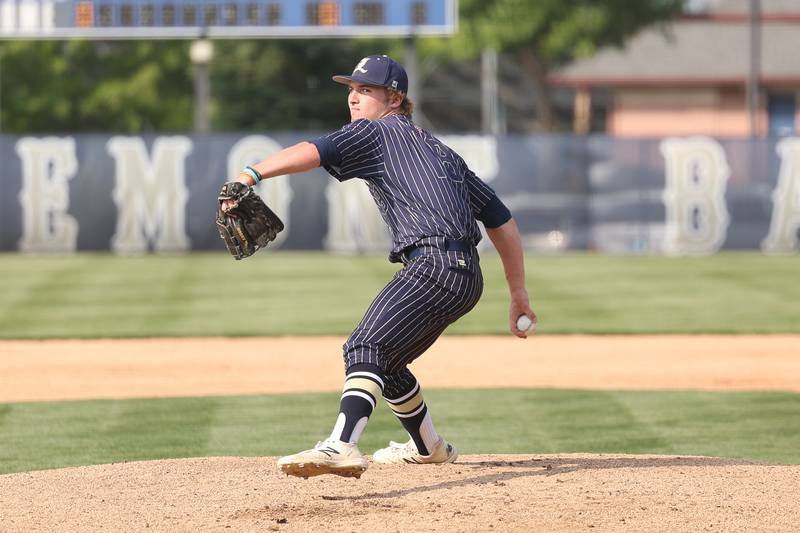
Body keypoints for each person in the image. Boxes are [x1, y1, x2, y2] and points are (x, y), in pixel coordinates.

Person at [222, 54, 536, 479]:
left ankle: (342, 444)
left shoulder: (375, 133)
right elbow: (501, 220)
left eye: (364, 90)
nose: (353, 98)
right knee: (386, 363)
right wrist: (518, 293)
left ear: (394, 98)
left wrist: (249, 175)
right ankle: (429, 448)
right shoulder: (441, 152)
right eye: (350, 90)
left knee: (363, 347)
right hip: (465, 277)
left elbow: (312, 151)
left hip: (434, 264)